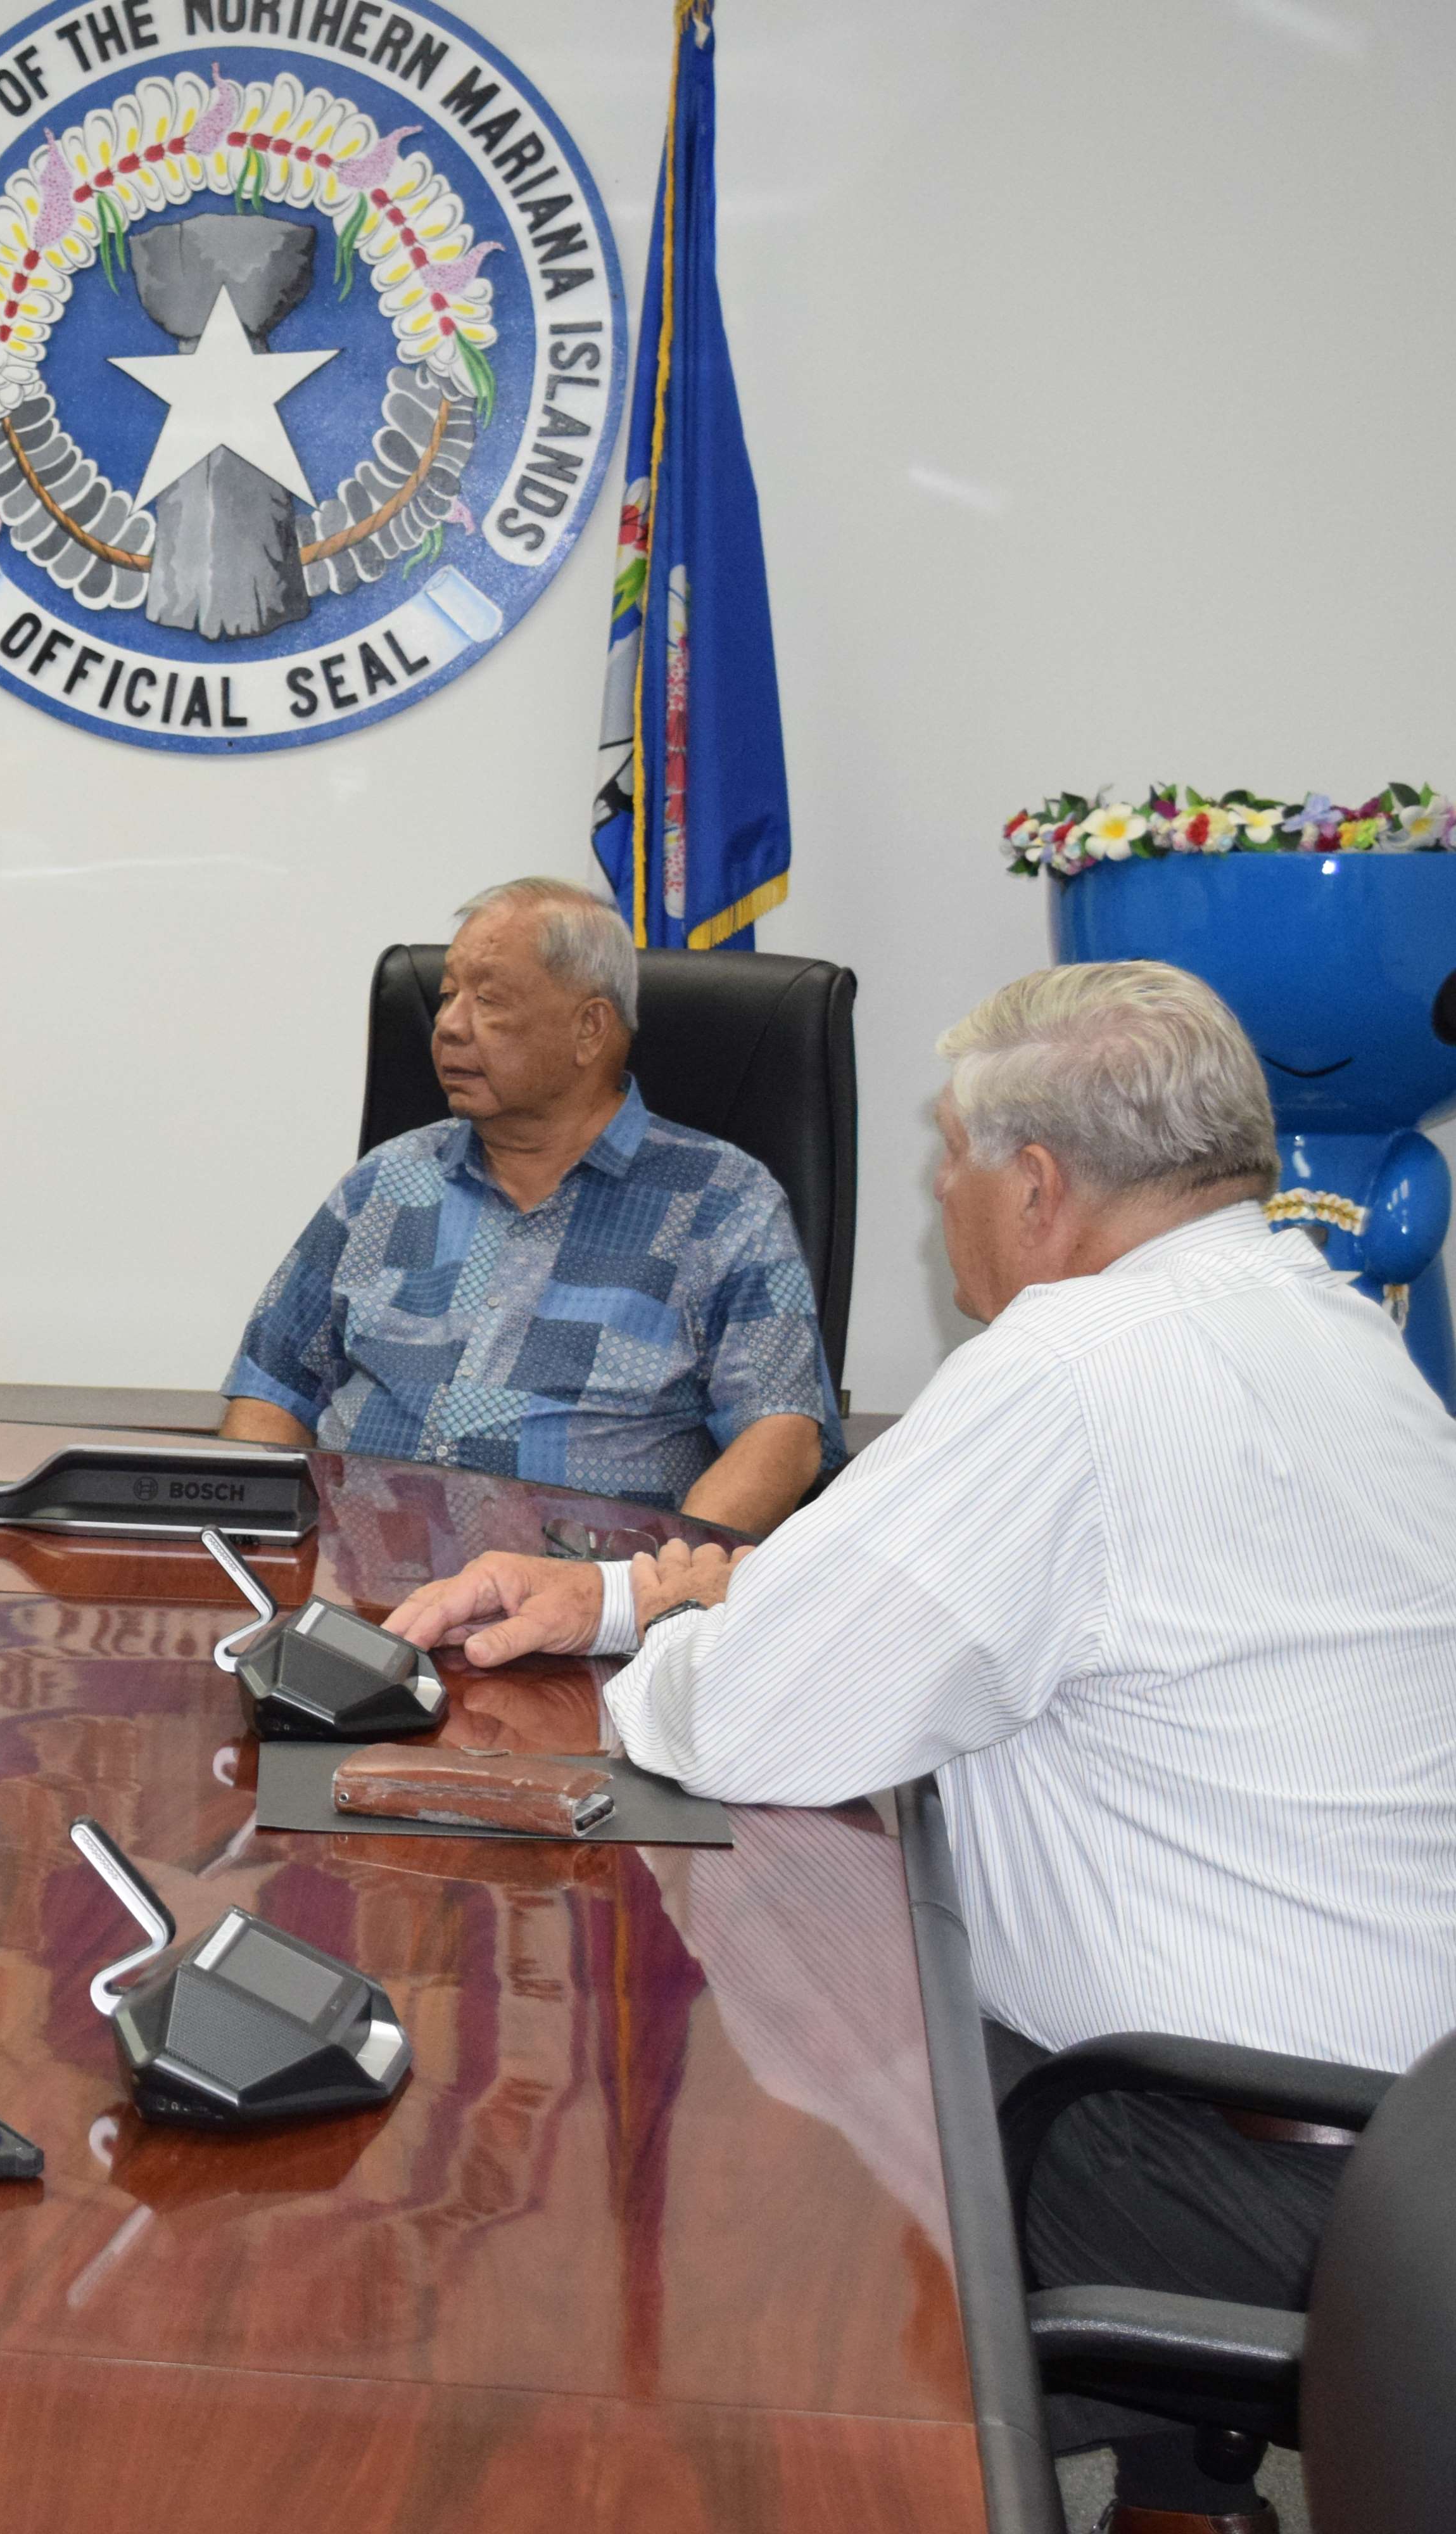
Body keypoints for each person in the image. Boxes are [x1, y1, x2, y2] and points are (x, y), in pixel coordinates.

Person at [386, 960, 1456, 2534]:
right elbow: (915, 1595)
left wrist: (665, 1647)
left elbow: (749, 1716)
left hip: (1225, 2169)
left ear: (1033, 1184)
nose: (936, 1194)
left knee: (693, 2219)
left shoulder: (1071, 1368)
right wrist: (620, 1597)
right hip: (1398, 2131)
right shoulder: (1325, 1327)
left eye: (946, 1154)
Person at [220, 876, 838, 1534]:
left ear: (589, 1028)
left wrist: (651, 1597)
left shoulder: (722, 1202)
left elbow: (782, 1436)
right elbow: (269, 1388)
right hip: (356, 1607)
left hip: (590, 1616)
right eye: (448, 995)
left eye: (488, 1000)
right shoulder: (386, 1181)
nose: (448, 1026)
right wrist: (257, 1553)